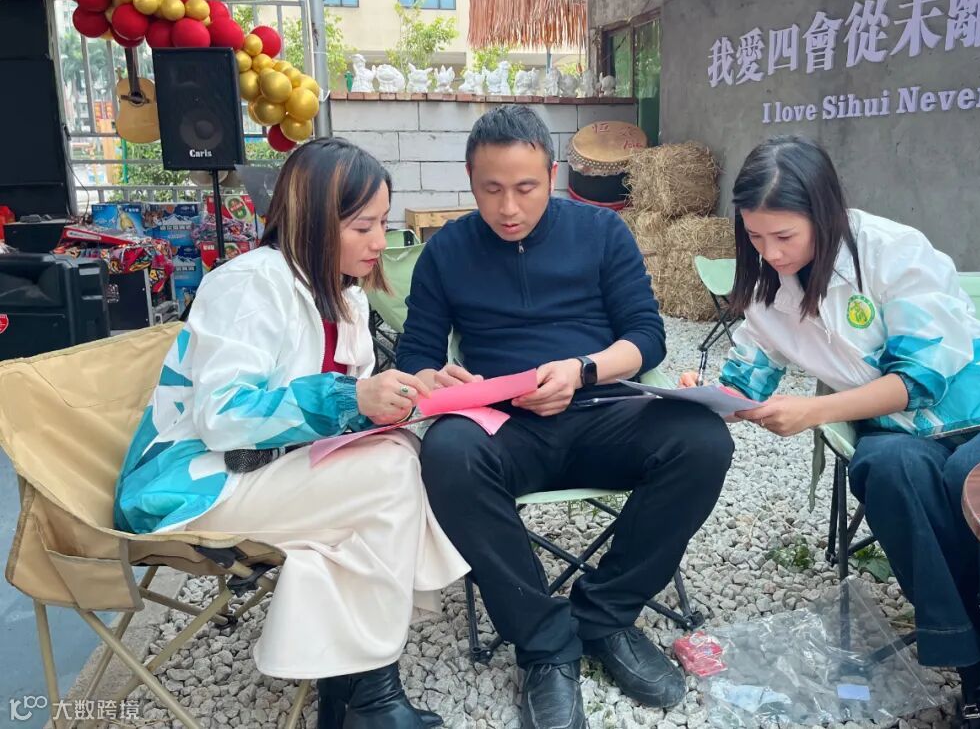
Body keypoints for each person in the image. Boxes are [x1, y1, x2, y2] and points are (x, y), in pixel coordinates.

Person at [679, 135, 980, 729]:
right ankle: (977, 674)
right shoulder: (768, 290)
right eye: (755, 237)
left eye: (784, 236)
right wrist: (707, 394)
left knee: (974, 482)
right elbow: (747, 382)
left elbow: (920, 379)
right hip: (896, 430)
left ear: (824, 213)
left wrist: (814, 411)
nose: (771, 253)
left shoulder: (893, 251)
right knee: (887, 468)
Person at [395, 105, 734, 729]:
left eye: (526, 188)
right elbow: (415, 355)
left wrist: (582, 370)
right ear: (470, 181)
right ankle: (546, 646)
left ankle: (605, 615)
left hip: (601, 408)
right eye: (491, 189)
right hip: (502, 425)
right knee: (446, 453)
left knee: (702, 441)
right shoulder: (446, 251)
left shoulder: (602, 233)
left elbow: (647, 338)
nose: (509, 208)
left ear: (552, 175)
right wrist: (434, 378)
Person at [114, 138, 469, 729]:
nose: (380, 242)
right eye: (363, 226)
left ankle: (354, 696)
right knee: (387, 476)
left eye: (382, 223)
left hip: (267, 471)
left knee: (393, 458)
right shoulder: (250, 283)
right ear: (314, 221)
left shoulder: (344, 296)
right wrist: (351, 397)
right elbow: (223, 416)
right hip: (197, 482)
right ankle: (368, 696)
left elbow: (339, 407)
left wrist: (413, 390)